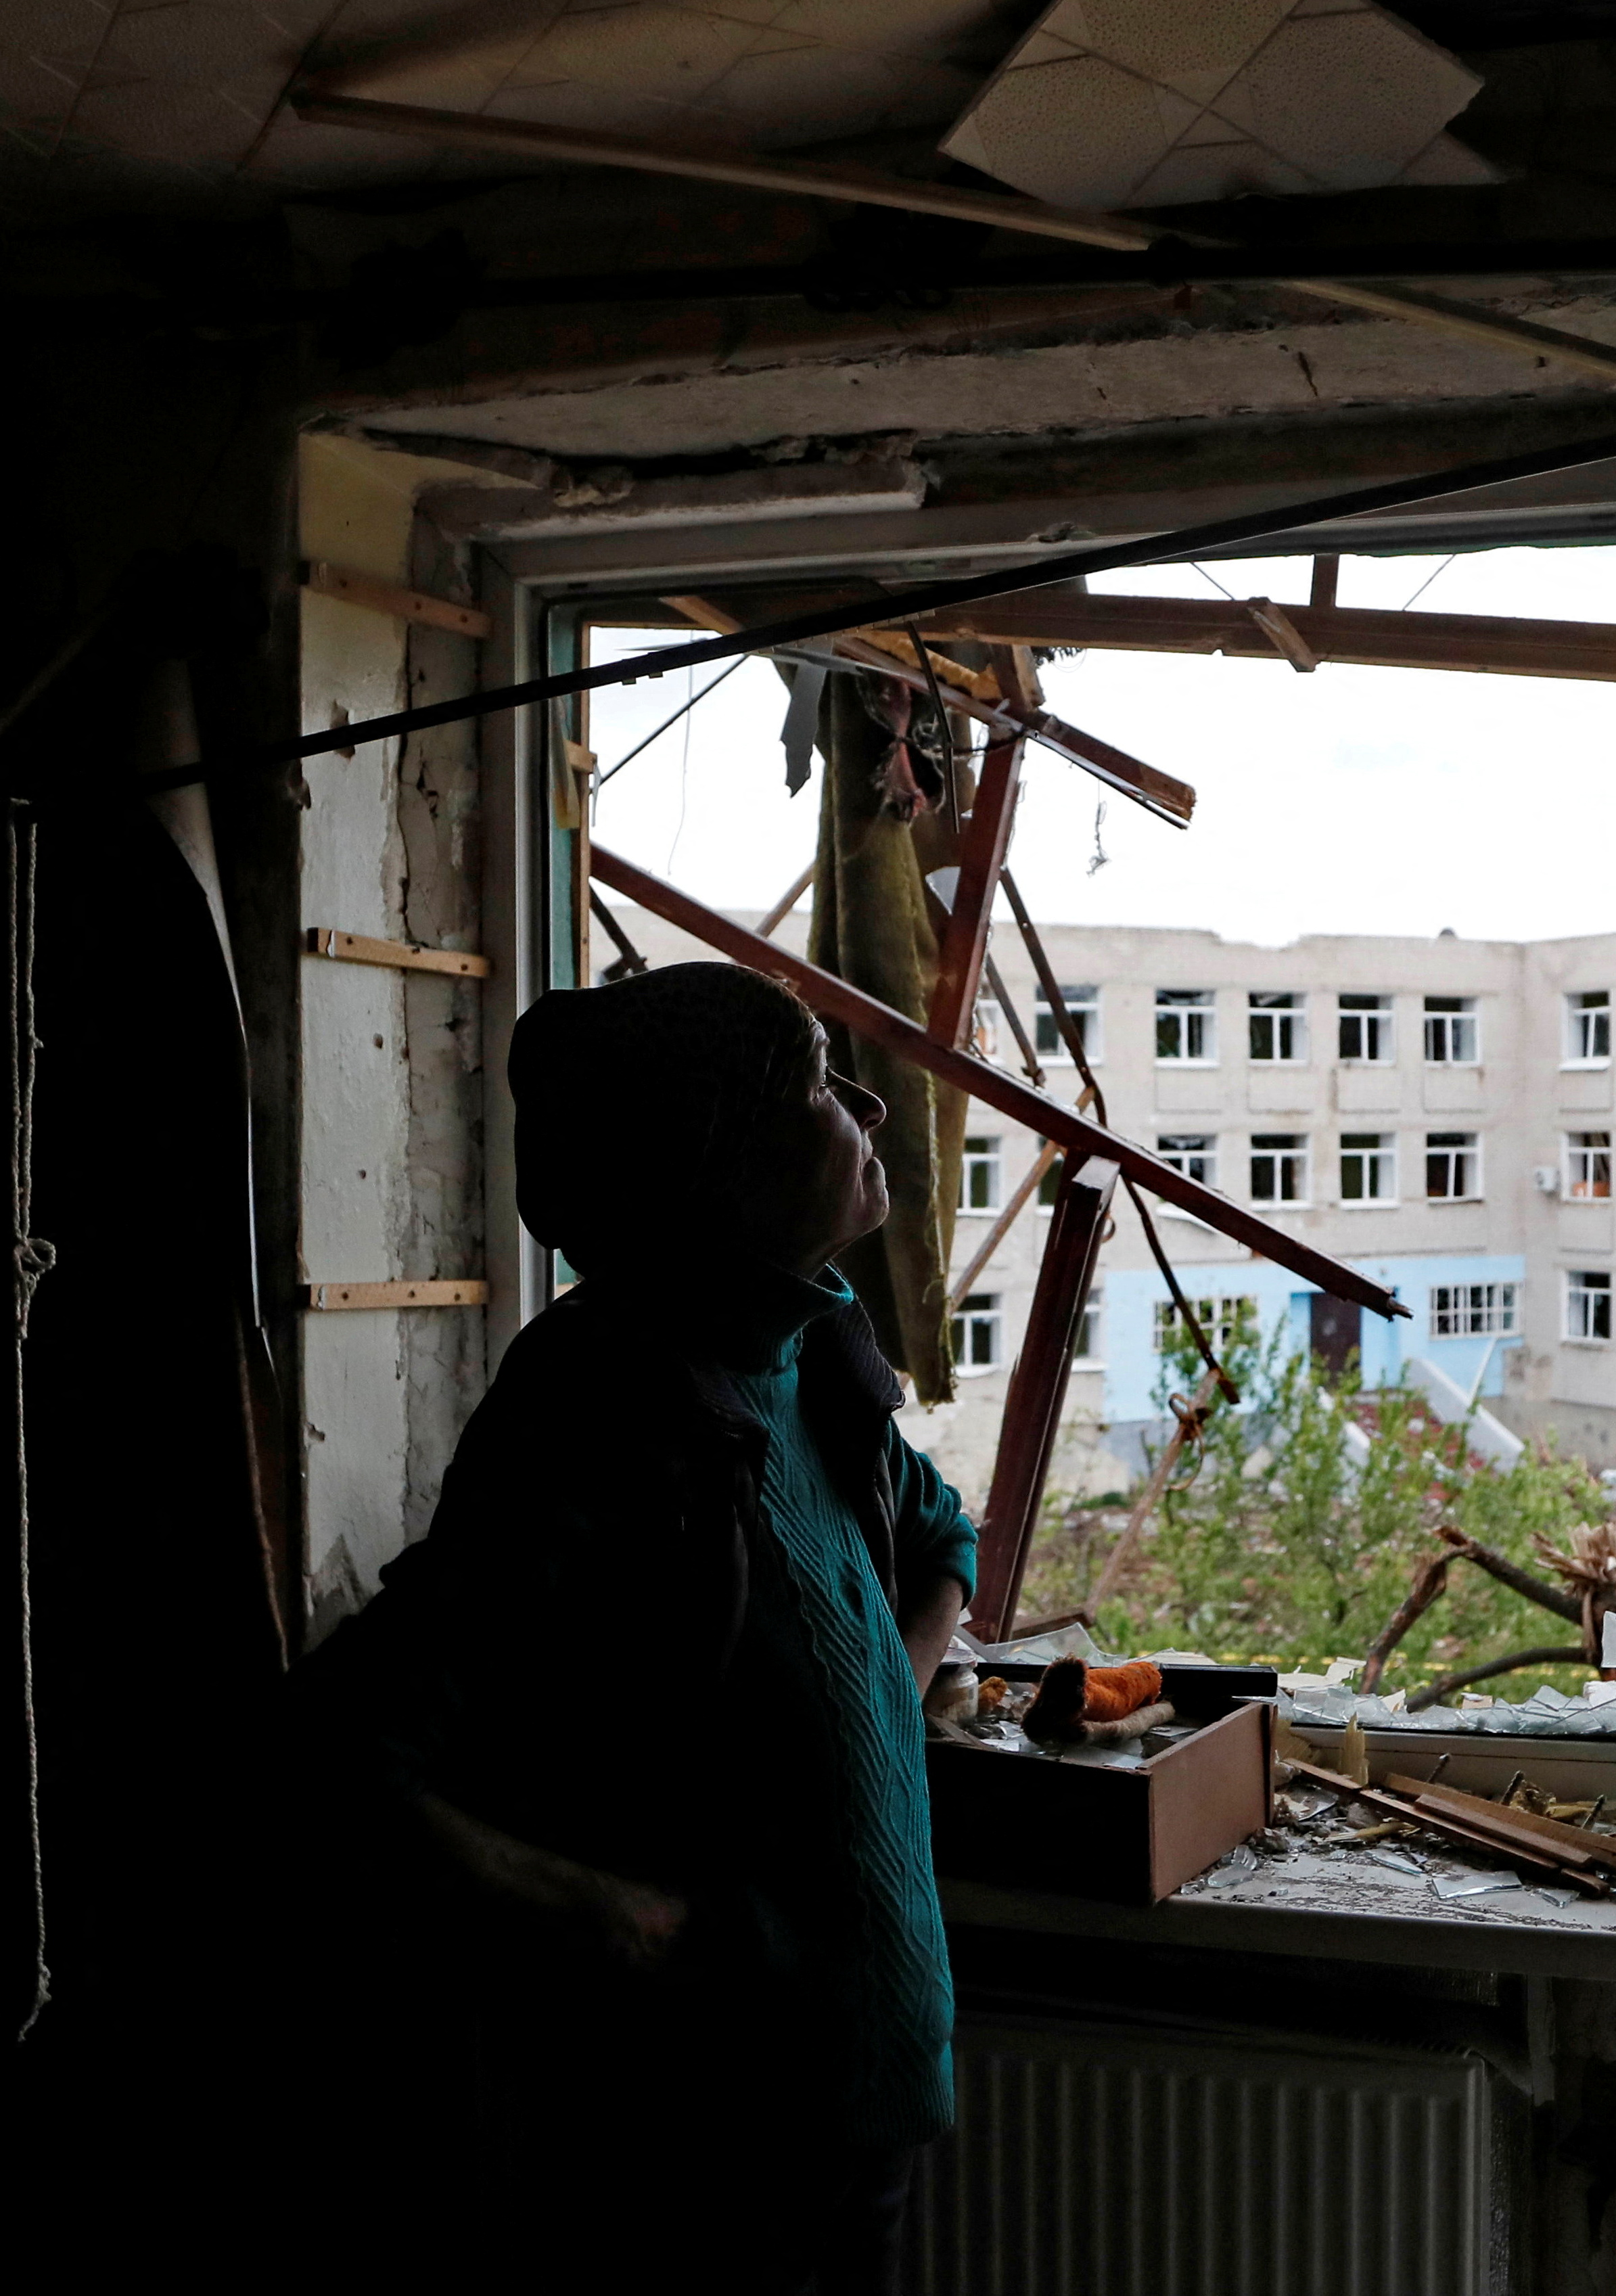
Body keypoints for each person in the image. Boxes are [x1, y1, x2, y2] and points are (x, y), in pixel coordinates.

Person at [280, 961, 977, 2293]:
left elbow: (942, 1534)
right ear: (728, 1169)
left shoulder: (815, 1356)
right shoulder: (595, 1411)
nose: (872, 1113)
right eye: (823, 1086)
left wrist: (886, 1677)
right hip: (706, 2140)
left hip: (870, 2100)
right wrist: (610, 1913)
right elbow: (346, 1748)